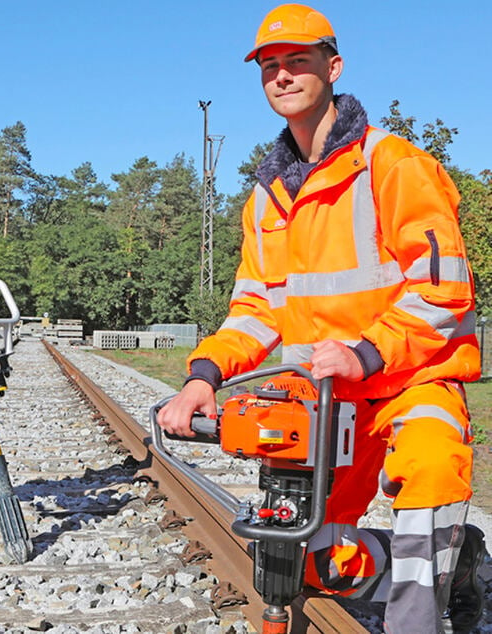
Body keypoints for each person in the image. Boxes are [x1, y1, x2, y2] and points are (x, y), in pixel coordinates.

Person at [156, 4, 486, 632]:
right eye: (269, 66)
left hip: (410, 385)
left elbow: (443, 292)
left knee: (432, 468)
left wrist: (365, 351)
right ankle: (459, 562)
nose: (281, 76)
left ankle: (416, 617)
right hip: (327, 406)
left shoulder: (395, 166)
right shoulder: (268, 197)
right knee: (298, 557)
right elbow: (254, 312)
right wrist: (204, 374)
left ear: (332, 67)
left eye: (297, 61)